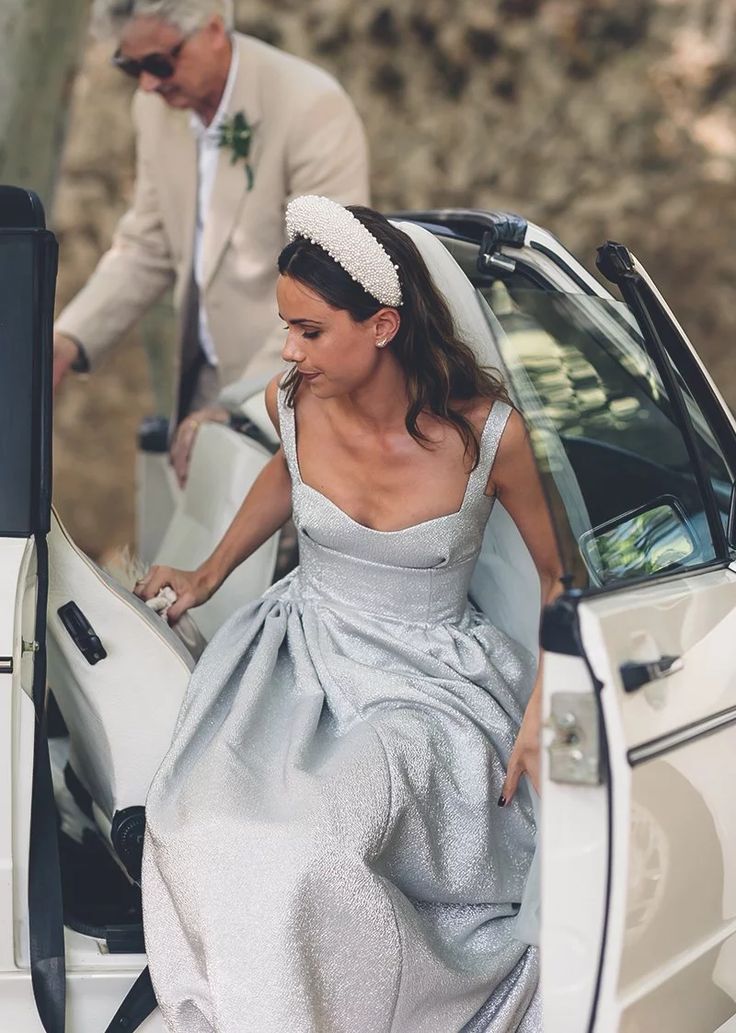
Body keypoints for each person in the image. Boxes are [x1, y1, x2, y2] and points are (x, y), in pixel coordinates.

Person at [136, 196, 560, 1032]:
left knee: (312, 850)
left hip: (428, 684)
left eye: (310, 330)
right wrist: (210, 573)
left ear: (383, 325)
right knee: (202, 821)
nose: (290, 351)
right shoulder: (292, 400)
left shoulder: (490, 436)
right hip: (301, 653)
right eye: (286, 327)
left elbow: (557, 577)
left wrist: (545, 709)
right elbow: (285, 476)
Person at [54, 0, 369, 485]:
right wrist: (67, 340)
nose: (147, 83)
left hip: (293, 388)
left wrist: (242, 405)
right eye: (129, 66)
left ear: (215, 29)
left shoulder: (311, 106)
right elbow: (147, 243)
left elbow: (327, 278)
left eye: (159, 63)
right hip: (201, 387)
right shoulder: (153, 109)